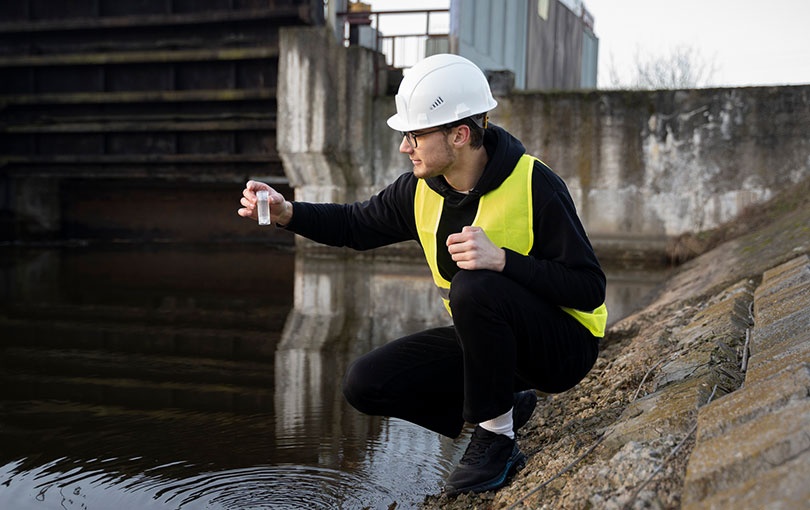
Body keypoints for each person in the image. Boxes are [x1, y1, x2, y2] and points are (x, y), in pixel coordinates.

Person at [238, 54, 607, 497]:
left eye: (414, 134)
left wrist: (505, 261)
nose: (404, 146)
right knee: (365, 384)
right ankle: (504, 406)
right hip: (492, 347)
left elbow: (589, 289)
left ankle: (497, 438)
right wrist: (287, 213)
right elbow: (354, 224)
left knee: (474, 280)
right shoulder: (418, 190)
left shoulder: (535, 183)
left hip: (564, 348)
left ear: (460, 134)